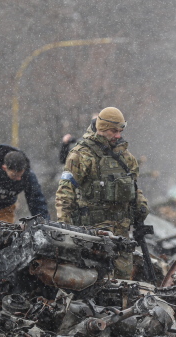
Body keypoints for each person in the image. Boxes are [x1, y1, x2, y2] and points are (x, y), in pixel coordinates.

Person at [55, 107, 148, 280]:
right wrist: (64, 229)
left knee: (123, 282)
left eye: (120, 131)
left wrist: (141, 206)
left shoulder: (125, 157)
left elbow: (133, 187)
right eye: (114, 131)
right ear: (102, 128)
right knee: (93, 281)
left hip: (121, 233)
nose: (118, 135)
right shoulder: (81, 155)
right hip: (91, 233)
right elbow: (64, 193)